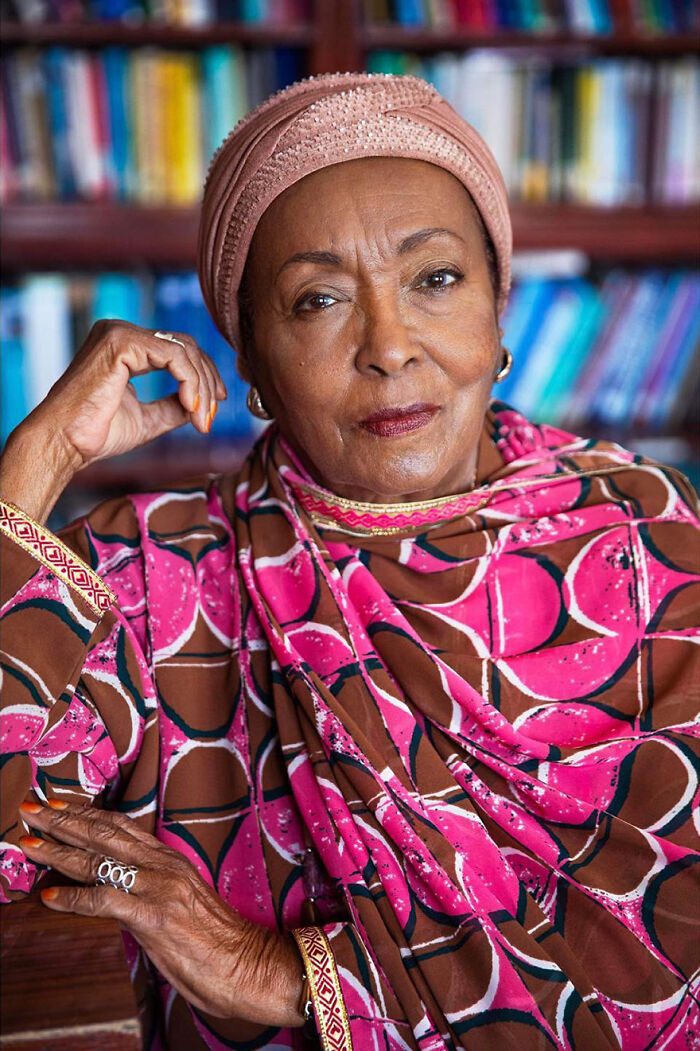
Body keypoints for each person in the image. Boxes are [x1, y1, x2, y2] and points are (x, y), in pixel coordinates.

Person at [1, 72, 698, 1051]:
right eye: (318, 299)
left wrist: (281, 972)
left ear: (498, 310)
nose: (388, 346)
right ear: (250, 359)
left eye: (436, 279)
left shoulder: (646, 531)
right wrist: (37, 460)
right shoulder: (154, 580)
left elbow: (672, 928)